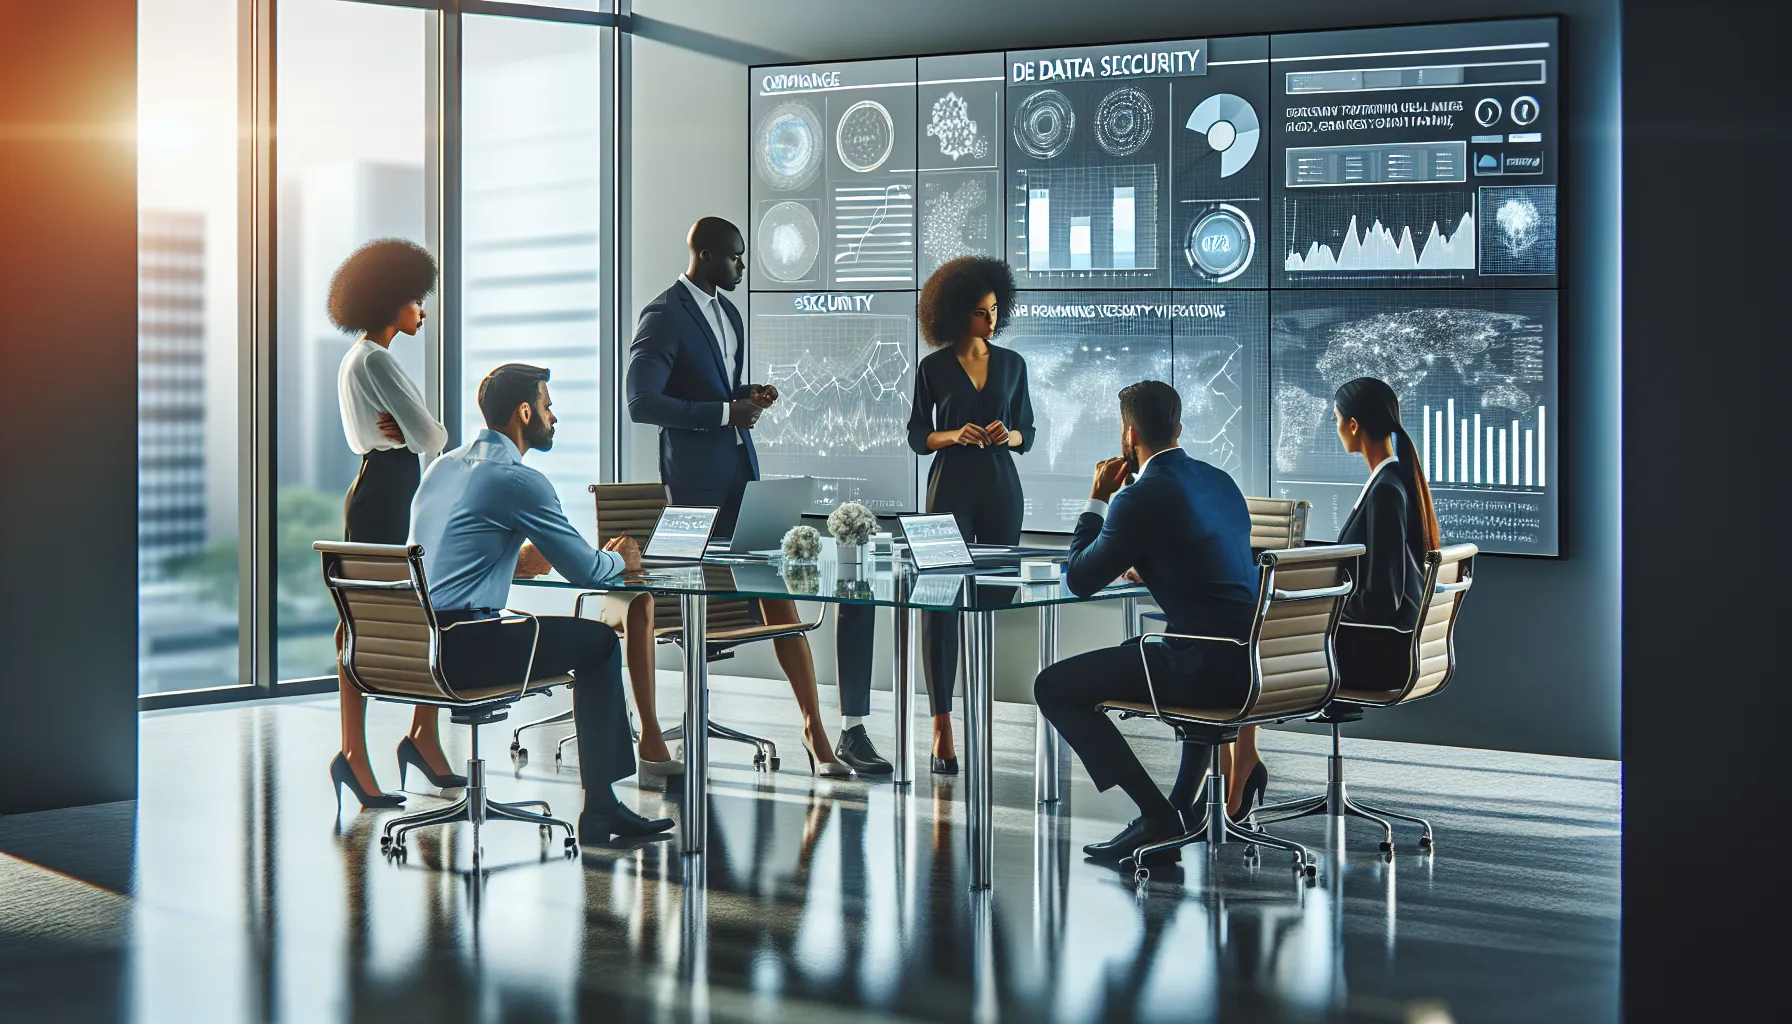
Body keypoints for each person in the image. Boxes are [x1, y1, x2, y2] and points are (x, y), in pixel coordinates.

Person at [625, 217, 880, 777]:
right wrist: (722, 413)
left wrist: (744, 398)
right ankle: (658, 742)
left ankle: (814, 729)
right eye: (737, 258)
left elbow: (714, 391)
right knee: (708, 603)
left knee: (780, 589)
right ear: (707, 253)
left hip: (742, 472)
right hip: (695, 486)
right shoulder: (664, 314)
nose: (744, 267)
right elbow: (641, 402)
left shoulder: (731, 314)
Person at [409, 362, 673, 845]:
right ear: (524, 412)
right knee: (597, 644)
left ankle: (604, 806)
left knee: (582, 639)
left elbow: (447, 558)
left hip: (418, 646)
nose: (554, 418)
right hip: (469, 650)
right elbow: (588, 572)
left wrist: (512, 563)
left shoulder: (440, 468)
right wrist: (622, 560)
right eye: (548, 407)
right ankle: (600, 809)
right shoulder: (518, 480)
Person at [1032, 381, 1257, 867]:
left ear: (1128, 433)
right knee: (1149, 644)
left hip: (1202, 669)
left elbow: (1080, 579)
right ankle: (1176, 811)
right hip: (1253, 663)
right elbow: (1205, 560)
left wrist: (1097, 500)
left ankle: (1156, 815)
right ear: (1178, 428)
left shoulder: (1137, 497)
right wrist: (1151, 559)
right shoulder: (1220, 479)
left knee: (1053, 688)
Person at [1229, 376, 1444, 815]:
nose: (1336, 428)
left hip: (1374, 653)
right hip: (1388, 645)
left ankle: (1240, 771)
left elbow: (1380, 600)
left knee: (1239, 650)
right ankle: (1242, 766)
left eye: (1335, 420)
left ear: (1352, 425)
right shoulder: (1394, 480)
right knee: (1247, 643)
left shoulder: (1386, 491)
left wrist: (1320, 607)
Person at [326, 238, 456, 809]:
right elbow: (434, 438)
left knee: (394, 611)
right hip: (387, 491)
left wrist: (413, 433)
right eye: (415, 300)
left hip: (382, 487)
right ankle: (359, 753)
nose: (422, 311)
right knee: (373, 618)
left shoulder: (357, 357)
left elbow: (420, 435)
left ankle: (417, 739)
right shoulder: (377, 358)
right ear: (389, 301)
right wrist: (417, 432)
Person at [905, 256, 1033, 774]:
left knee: (992, 602)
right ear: (956, 313)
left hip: (1002, 487)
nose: (992, 321)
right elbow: (918, 436)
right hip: (948, 490)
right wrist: (954, 435)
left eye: (996, 310)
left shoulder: (1013, 364)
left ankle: (982, 714)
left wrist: (1010, 434)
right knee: (940, 610)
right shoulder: (933, 368)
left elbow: (1029, 431)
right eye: (982, 313)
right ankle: (941, 725)